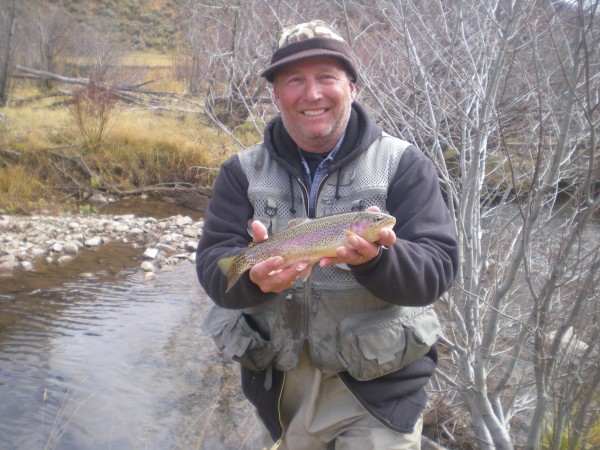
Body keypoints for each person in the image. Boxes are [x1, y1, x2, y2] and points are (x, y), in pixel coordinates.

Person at [196, 19, 458, 450]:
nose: (312, 93)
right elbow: (214, 267)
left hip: (376, 394)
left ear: (352, 87)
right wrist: (251, 280)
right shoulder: (240, 171)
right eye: (294, 80)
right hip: (278, 394)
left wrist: (378, 261)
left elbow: (438, 270)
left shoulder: (403, 164)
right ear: (276, 95)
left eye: (326, 77)